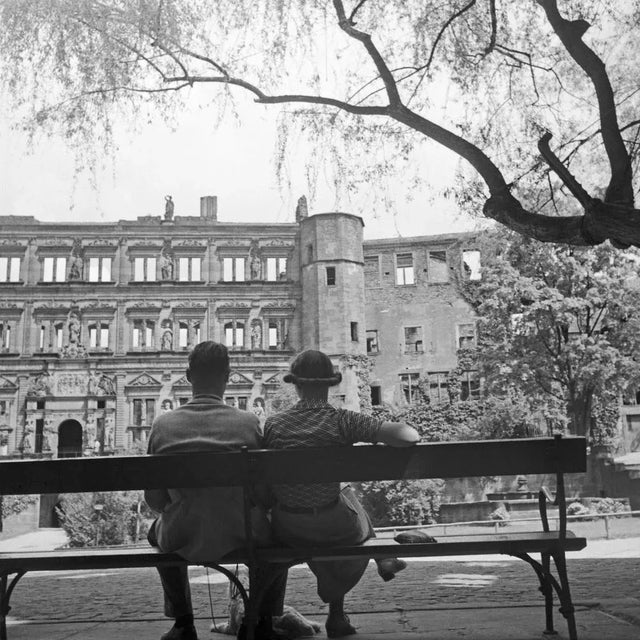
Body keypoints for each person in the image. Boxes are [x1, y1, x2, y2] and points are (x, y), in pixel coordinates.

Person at [263, 349, 420, 638]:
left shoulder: (275, 424)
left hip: (287, 527)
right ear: (330, 384)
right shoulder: (343, 420)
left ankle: (269, 616)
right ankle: (338, 613)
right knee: (344, 499)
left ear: (296, 385)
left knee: (340, 499)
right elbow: (409, 436)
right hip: (331, 525)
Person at [145, 341, 286, 640]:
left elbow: (154, 499)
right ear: (228, 376)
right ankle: (262, 620)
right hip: (243, 531)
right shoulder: (247, 423)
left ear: (188, 376)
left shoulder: (163, 426)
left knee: (153, 534)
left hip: (182, 534)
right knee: (279, 533)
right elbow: (264, 493)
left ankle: (183, 622)